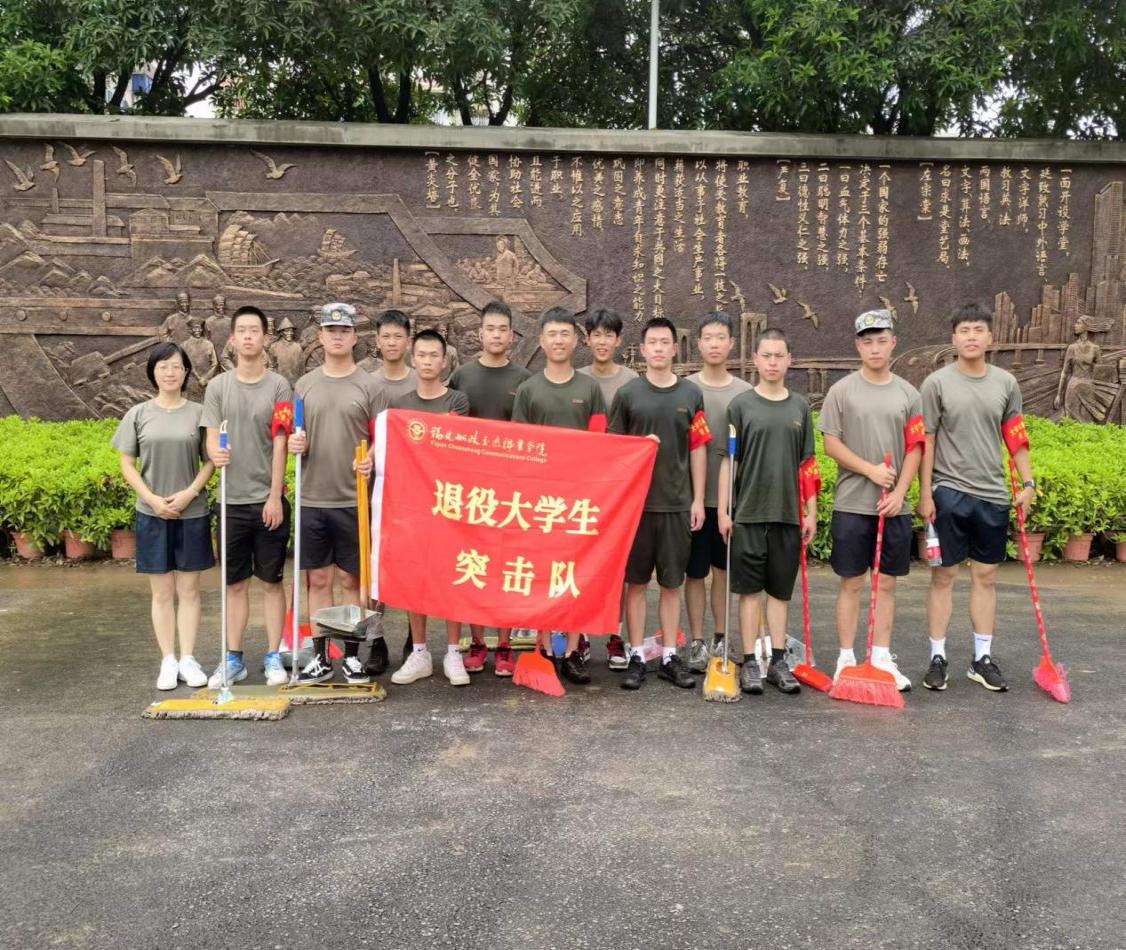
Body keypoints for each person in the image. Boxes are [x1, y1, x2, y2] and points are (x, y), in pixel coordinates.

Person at [918, 303, 1035, 692]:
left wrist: (1028, 483)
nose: (971, 337)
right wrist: (925, 493)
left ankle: (982, 659)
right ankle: (938, 657)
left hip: (993, 495)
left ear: (990, 337)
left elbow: (1016, 437)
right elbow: (927, 440)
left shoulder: (1006, 383)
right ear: (954, 338)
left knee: (986, 577)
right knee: (943, 576)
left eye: (978, 330)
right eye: (964, 330)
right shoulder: (936, 384)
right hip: (948, 493)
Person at [819, 309, 925, 691]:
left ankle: (880, 656)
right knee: (851, 582)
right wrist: (870, 471)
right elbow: (831, 443)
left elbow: (916, 447)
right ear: (858, 346)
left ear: (893, 343)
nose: (875, 348)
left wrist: (899, 492)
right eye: (868, 342)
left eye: (882, 341)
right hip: (852, 504)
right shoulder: (842, 391)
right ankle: (846, 658)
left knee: (887, 584)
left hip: (893, 507)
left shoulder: (909, 394)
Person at [289, 303, 389, 684]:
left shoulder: (370, 386)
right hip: (313, 497)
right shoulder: (305, 384)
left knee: (351, 581)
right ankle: (320, 656)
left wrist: (372, 458)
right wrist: (296, 442)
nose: (337, 336)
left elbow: (381, 437)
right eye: (331, 330)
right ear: (320, 336)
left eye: (344, 330)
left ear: (354, 337)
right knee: (317, 581)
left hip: (353, 499)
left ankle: (351, 656)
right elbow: (295, 430)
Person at [610, 316, 711, 692]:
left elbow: (698, 448)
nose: (658, 348)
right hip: (636, 508)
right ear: (642, 349)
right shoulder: (628, 395)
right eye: (652, 342)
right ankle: (636, 654)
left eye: (664, 342)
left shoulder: (690, 395)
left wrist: (697, 499)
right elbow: (614, 449)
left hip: (676, 504)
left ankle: (669, 655)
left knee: (672, 584)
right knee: (635, 583)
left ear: (674, 348)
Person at [717, 328, 818, 696]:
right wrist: (723, 511)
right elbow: (729, 462)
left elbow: (808, 464)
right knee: (748, 593)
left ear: (789, 360)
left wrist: (810, 511)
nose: (773, 362)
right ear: (756, 360)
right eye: (766, 356)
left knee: (779, 593)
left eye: (779, 355)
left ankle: (777, 661)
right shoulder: (740, 406)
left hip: (787, 515)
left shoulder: (800, 407)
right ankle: (748, 662)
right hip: (748, 514)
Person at [511, 306, 608, 684]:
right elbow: (520, 448)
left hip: (579, 500)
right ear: (541, 341)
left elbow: (600, 444)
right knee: (543, 574)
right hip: (540, 502)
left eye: (565, 334)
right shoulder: (529, 390)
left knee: (575, 574)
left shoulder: (589, 389)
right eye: (551, 334)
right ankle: (545, 647)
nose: (558, 341)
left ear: (576, 341)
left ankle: (573, 650)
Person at [112, 342, 215, 690]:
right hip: (152, 513)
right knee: (161, 592)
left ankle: (188, 658)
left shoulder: (200, 413)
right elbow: (127, 464)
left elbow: (210, 460)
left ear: (186, 372)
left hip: (192, 512)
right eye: (163, 367)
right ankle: (168, 660)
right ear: (152, 372)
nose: (170, 373)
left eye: (176, 366)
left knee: (189, 589)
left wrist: (189, 493)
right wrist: (152, 500)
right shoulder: (138, 414)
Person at [201, 306, 294, 688]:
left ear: (266, 338)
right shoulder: (217, 388)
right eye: (242, 330)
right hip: (230, 501)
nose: (249, 336)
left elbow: (281, 442)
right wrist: (215, 452)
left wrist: (274, 496)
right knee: (235, 584)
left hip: (267, 500)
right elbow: (211, 435)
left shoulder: (279, 386)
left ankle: (273, 655)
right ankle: (233, 658)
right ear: (233, 339)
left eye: (255, 330)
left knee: (271, 581)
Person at [448, 300, 531, 677]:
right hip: (471, 491)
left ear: (511, 336)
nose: (496, 335)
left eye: (502, 330)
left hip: (511, 492)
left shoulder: (524, 379)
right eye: (490, 329)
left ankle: (505, 645)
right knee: (474, 567)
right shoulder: (461, 377)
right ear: (479, 334)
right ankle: (478, 642)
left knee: (506, 568)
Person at [390, 329, 472, 687]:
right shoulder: (401, 405)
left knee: (452, 576)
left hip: (450, 503)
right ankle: (420, 652)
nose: (427, 361)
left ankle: (453, 652)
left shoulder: (458, 401)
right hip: (412, 504)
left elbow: (458, 450)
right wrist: (370, 460)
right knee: (415, 578)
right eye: (421, 355)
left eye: (433, 355)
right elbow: (393, 450)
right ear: (413, 359)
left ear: (444, 360)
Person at [683, 311, 751, 672]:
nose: (714, 344)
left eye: (720, 337)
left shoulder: (745, 394)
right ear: (698, 343)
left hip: (730, 503)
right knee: (695, 573)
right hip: (693, 500)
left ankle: (721, 637)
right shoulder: (686, 389)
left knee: (722, 572)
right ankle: (696, 640)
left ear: (731, 344)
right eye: (707, 337)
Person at [578, 307, 639, 669]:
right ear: (587, 339)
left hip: (619, 490)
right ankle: (582, 635)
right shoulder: (577, 380)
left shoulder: (632, 382)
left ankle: (615, 635)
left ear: (619, 340)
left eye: (609, 335)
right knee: (584, 563)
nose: (602, 342)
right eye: (596, 335)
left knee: (618, 565)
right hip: (582, 488)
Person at [1053, 314, 1117, 423]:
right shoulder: (1071, 348)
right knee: (1070, 416)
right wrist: (1059, 394)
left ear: (1086, 326)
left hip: (1087, 387)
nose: (1075, 325)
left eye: (1078, 323)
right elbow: (1064, 372)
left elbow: (1100, 372)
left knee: (1087, 419)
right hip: (1072, 386)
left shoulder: (1095, 348)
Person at [370, 309, 417, 402]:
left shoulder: (421, 382)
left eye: (398, 336)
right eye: (386, 336)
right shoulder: (368, 383)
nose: (392, 343)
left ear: (408, 342)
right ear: (378, 341)